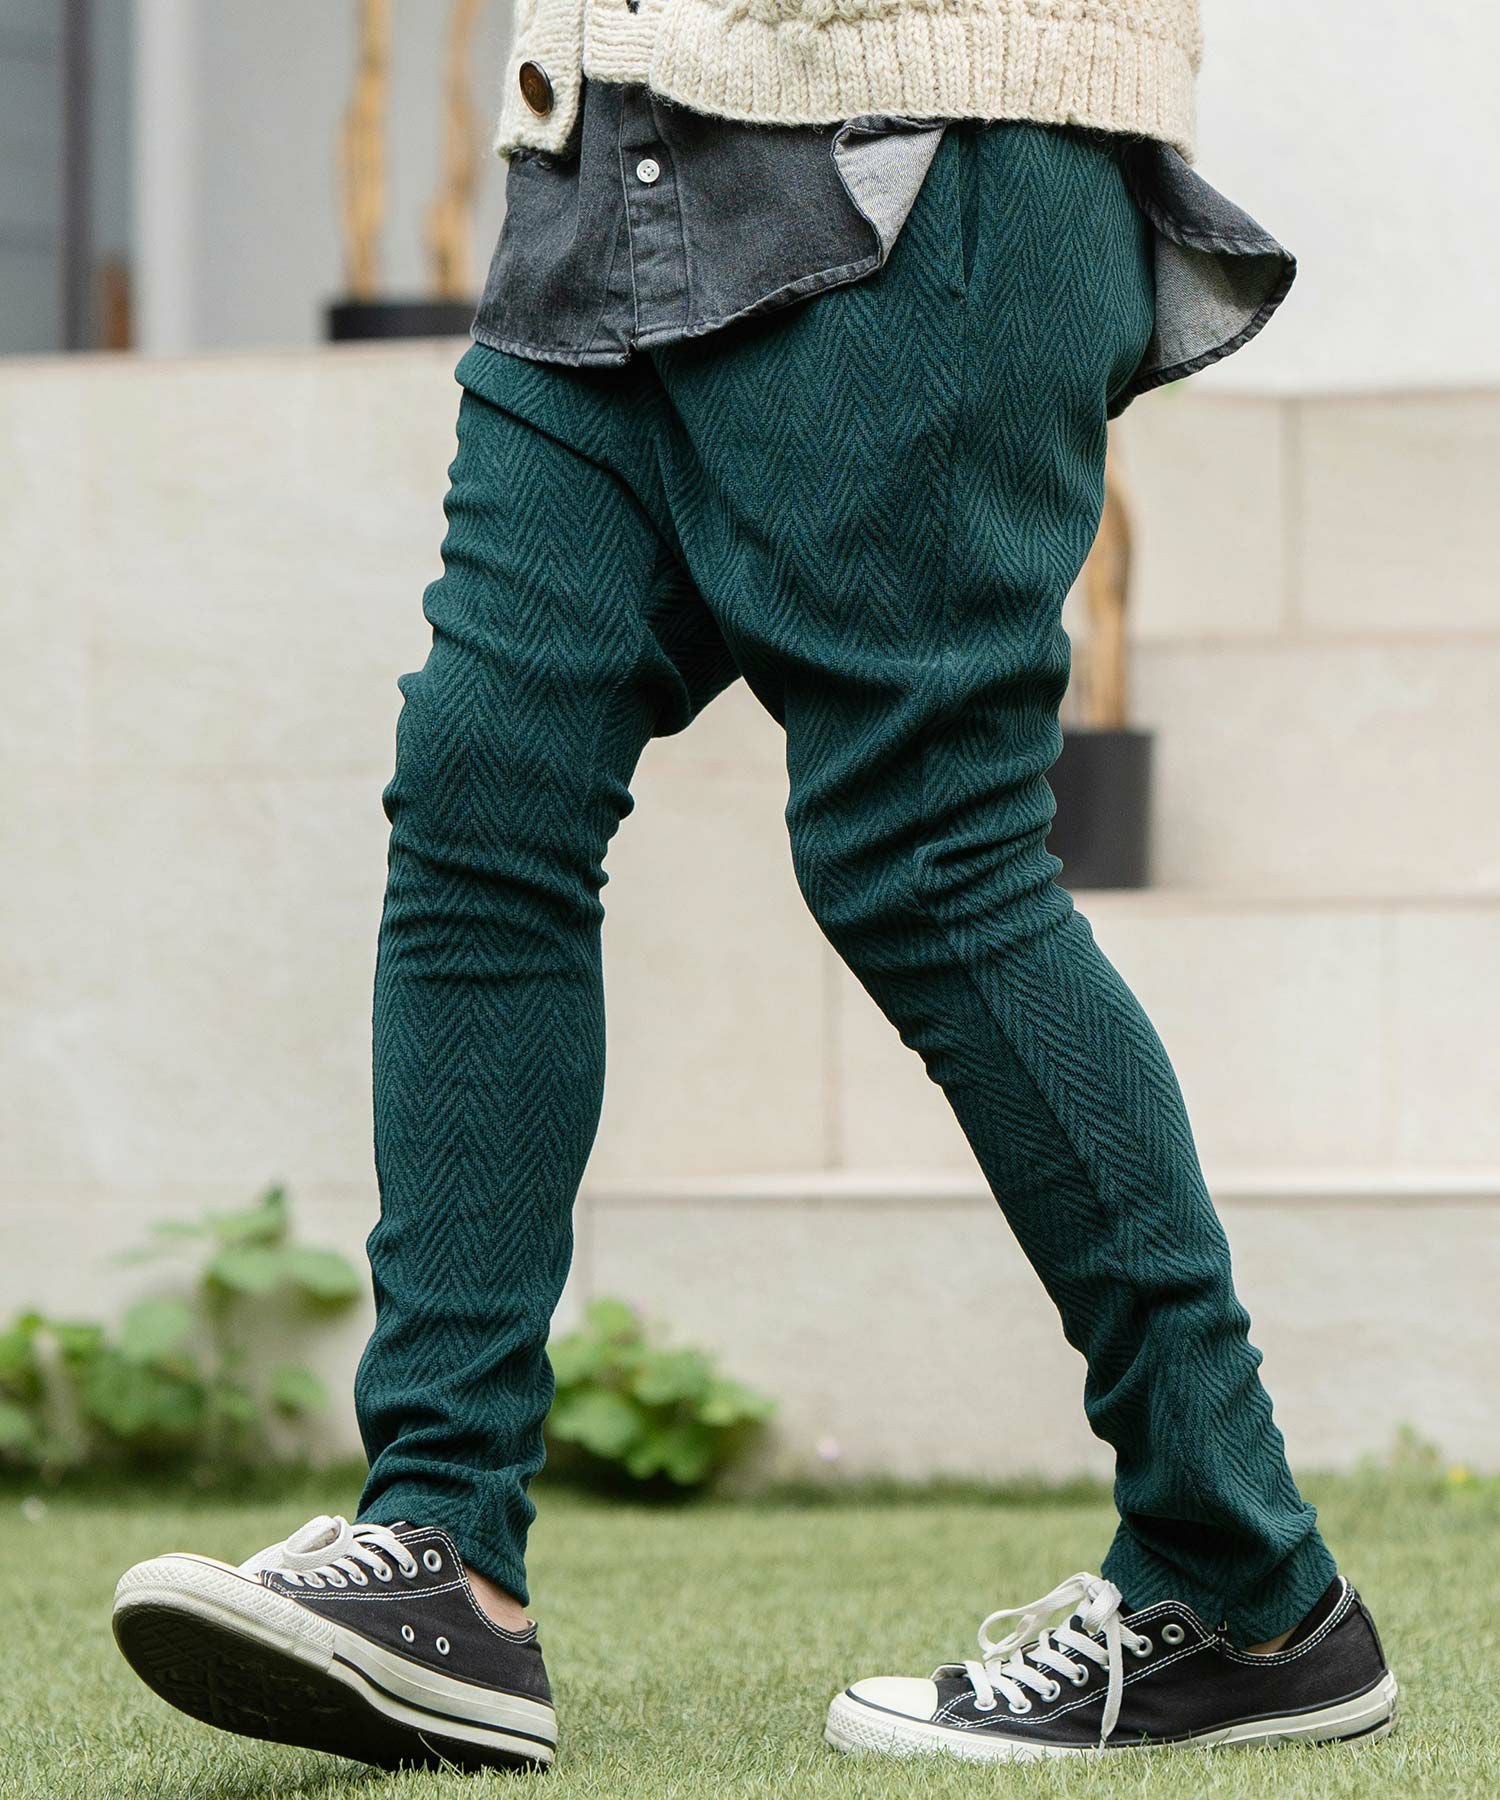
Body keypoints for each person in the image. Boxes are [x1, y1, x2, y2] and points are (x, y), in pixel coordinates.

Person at [111, 0, 1397, 1774]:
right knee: (484, 797)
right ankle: (440, 1552)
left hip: (908, 142)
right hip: (604, 149)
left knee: (927, 856)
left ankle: (1243, 1577)